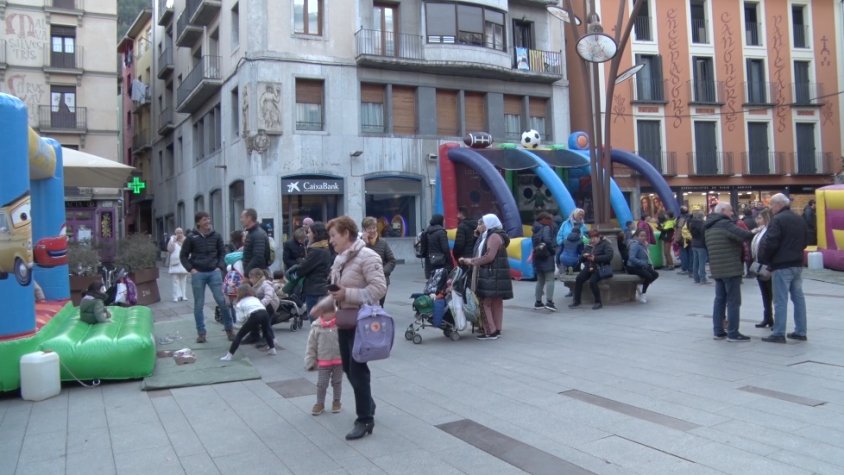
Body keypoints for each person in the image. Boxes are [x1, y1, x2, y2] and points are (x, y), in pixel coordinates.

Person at [310, 216, 387, 440]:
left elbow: (378, 289)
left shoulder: (367, 256)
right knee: (348, 368)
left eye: (334, 235)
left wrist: (348, 294)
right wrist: (322, 305)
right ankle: (368, 402)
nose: (331, 240)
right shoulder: (340, 259)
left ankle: (364, 419)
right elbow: (336, 294)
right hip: (344, 320)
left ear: (346, 234)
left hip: (361, 321)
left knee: (358, 369)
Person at [759, 193, 808, 343]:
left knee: (780, 300)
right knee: (798, 299)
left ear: (778, 204)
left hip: (781, 264)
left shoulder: (778, 220)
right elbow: (807, 239)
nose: (771, 209)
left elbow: (771, 242)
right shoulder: (799, 218)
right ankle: (801, 331)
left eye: (772, 205)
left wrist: (766, 260)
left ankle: (779, 333)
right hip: (797, 263)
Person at [180, 211, 234, 343]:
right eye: (205, 219)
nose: (208, 221)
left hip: (214, 273)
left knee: (222, 301)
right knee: (199, 304)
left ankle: (229, 330)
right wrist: (191, 269)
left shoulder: (216, 236)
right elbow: (183, 256)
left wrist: (219, 267)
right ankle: (201, 333)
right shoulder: (191, 238)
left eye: (209, 219)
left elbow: (222, 253)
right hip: (198, 274)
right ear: (198, 222)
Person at [704, 202, 754, 342]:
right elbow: (745, 235)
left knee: (719, 300)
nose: (732, 213)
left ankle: (718, 331)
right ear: (723, 211)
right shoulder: (725, 224)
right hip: (730, 268)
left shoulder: (709, 226)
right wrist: (756, 231)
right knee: (733, 301)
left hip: (717, 268)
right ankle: (733, 332)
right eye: (731, 211)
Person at [458, 214, 513, 339]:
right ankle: (496, 329)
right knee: (496, 302)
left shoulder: (493, 237)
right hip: (496, 274)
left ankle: (490, 331)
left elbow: (489, 257)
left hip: (491, 274)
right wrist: (478, 235)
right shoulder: (491, 235)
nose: (479, 226)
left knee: (485, 303)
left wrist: (471, 261)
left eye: (481, 224)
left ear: (489, 224)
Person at [220, 285, 277, 360]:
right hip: (264, 313)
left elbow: (240, 319)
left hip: (254, 315)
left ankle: (229, 355)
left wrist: (239, 325)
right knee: (266, 331)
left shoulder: (240, 303)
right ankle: (273, 349)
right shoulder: (255, 298)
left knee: (239, 335)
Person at [304, 312, 343, 416]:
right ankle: (320, 403)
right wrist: (310, 360)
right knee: (321, 384)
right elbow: (311, 345)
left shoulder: (340, 324)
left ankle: (336, 401)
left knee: (337, 382)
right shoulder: (316, 327)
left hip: (339, 361)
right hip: (323, 362)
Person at [568, 229, 614, 310]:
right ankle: (577, 301)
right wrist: (584, 256)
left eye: (594, 238)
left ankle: (598, 302)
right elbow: (581, 258)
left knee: (593, 281)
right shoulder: (588, 246)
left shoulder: (605, 244)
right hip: (589, 266)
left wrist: (595, 258)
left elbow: (609, 256)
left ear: (598, 237)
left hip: (600, 267)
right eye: (591, 238)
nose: (593, 240)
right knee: (579, 279)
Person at [298, 222, 332, 316]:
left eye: (309, 232)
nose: (307, 235)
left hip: (315, 290)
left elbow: (302, 269)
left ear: (315, 234)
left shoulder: (316, 251)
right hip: (320, 288)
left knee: (315, 321)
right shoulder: (324, 248)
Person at [362, 217, 396, 306]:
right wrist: (365, 243)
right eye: (369, 228)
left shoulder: (383, 243)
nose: (372, 230)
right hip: (365, 282)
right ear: (364, 230)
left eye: (374, 228)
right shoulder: (360, 243)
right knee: (366, 308)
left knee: (379, 307)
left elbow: (392, 260)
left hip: (381, 280)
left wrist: (382, 272)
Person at [750, 208, 774, 329]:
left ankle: (775, 319)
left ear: (766, 218)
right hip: (759, 266)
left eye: (759, 218)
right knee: (765, 294)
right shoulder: (759, 231)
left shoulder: (770, 231)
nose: (756, 220)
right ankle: (768, 317)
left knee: (773, 294)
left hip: (768, 267)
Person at [531, 212, 557, 311]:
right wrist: (552, 251)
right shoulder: (545, 228)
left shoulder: (535, 229)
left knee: (540, 280)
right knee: (550, 279)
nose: (551, 221)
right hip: (547, 256)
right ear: (543, 219)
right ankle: (549, 302)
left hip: (537, 256)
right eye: (549, 219)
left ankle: (538, 302)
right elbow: (547, 240)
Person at [626, 229, 659, 303]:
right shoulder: (635, 245)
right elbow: (631, 258)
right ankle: (643, 293)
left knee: (655, 274)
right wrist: (642, 263)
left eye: (644, 236)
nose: (643, 238)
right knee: (649, 276)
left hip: (642, 265)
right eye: (641, 236)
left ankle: (642, 285)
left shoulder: (643, 244)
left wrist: (646, 247)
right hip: (632, 267)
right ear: (637, 236)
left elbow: (645, 256)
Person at [240, 208, 270, 276]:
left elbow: (258, 257)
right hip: (253, 275)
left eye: (242, 217)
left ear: (249, 218)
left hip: (255, 276)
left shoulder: (258, 234)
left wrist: (247, 274)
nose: (241, 220)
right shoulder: (251, 233)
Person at [423, 214, 452, 279]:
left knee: (432, 284)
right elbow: (446, 249)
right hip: (440, 263)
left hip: (429, 262)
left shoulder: (426, 232)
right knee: (440, 284)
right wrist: (450, 262)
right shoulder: (441, 232)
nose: (444, 222)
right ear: (440, 221)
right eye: (443, 220)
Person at [166, 228, 189, 302]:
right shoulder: (172, 240)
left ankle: (183, 295)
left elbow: (189, 251)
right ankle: (176, 296)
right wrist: (172, 240)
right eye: (178, 232)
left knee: (183, 281)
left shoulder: (186, 240)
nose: (179, 234)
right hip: (175, 263)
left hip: (183, 264)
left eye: (181, 232)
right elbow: (169, 249)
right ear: (175, 233)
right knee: (175, 281)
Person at [689, 209, 708, 284]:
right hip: (701, 245)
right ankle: (703, 278)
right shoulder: (703, 224)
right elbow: (704, 236)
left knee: (695, 262)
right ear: (702, 216)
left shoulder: (692, 224)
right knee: (702, 262)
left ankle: (696, 278)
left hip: (694, 243)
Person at [673, 206, 692, 274]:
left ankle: (685, 268)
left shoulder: (681, 218)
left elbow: (679, 229)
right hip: (690, 238)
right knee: (690, 253)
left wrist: (676, 239)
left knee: (683, 253)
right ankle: (691, 268)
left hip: (683, 238)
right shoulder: (691, 217)